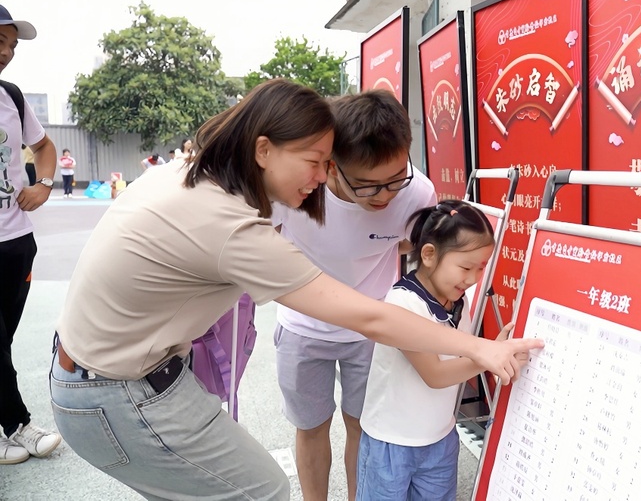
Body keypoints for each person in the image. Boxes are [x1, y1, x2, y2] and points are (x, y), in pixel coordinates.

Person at [49, 79, 540, 500]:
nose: (322, 178)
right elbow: (368, 316)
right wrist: (479, 347)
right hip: (117, 391)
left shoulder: (191, 177)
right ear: (263, 149)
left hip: (120, 376)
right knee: (263, 488)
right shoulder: (234, 224)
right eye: (316, 161)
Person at [271, 90, 436, 501]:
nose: (384, 197)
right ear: (330, 167)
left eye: (395, 179)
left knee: (362, 426)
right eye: (367, 186)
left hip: (370, 330)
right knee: (311, 427)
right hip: (302, 329)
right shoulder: (296, 193)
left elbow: (409, 243)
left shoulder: (417, 194)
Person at [357, 200, 526, 500]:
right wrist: (488, 354)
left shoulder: (460, 301)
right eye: (465, 267)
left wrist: (492, 351)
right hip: (392, 443)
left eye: (481, 267)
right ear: (429, 255)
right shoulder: (403, 304)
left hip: (440, 438)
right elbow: (434, 374)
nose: (473, 278)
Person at [0, 3, 62, 465]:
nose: (6, 53)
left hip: (17, 242)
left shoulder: (11, 97)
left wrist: (43, 184)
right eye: (0, 42)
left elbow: (43, 147)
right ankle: (17, 424)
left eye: (12, 46)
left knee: (3, 340)